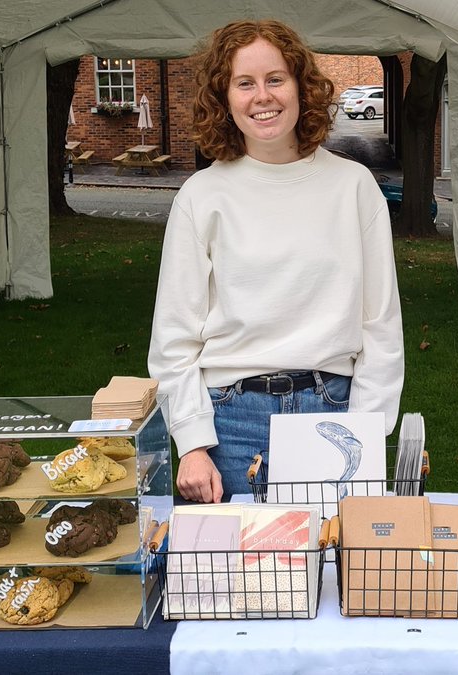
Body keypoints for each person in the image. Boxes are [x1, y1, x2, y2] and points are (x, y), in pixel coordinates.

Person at [147, 20, 405, 503]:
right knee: (233, 578)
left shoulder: (354, 187)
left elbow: (381, 326)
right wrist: (193, 442)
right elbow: (173, 336)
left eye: (275, 79)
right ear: (223, 98)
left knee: (332, 571)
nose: (261, 96)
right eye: (244, 83)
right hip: (228, 424)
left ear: (301, 87)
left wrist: (367, 430)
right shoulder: (202, 196)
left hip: (333, 412)